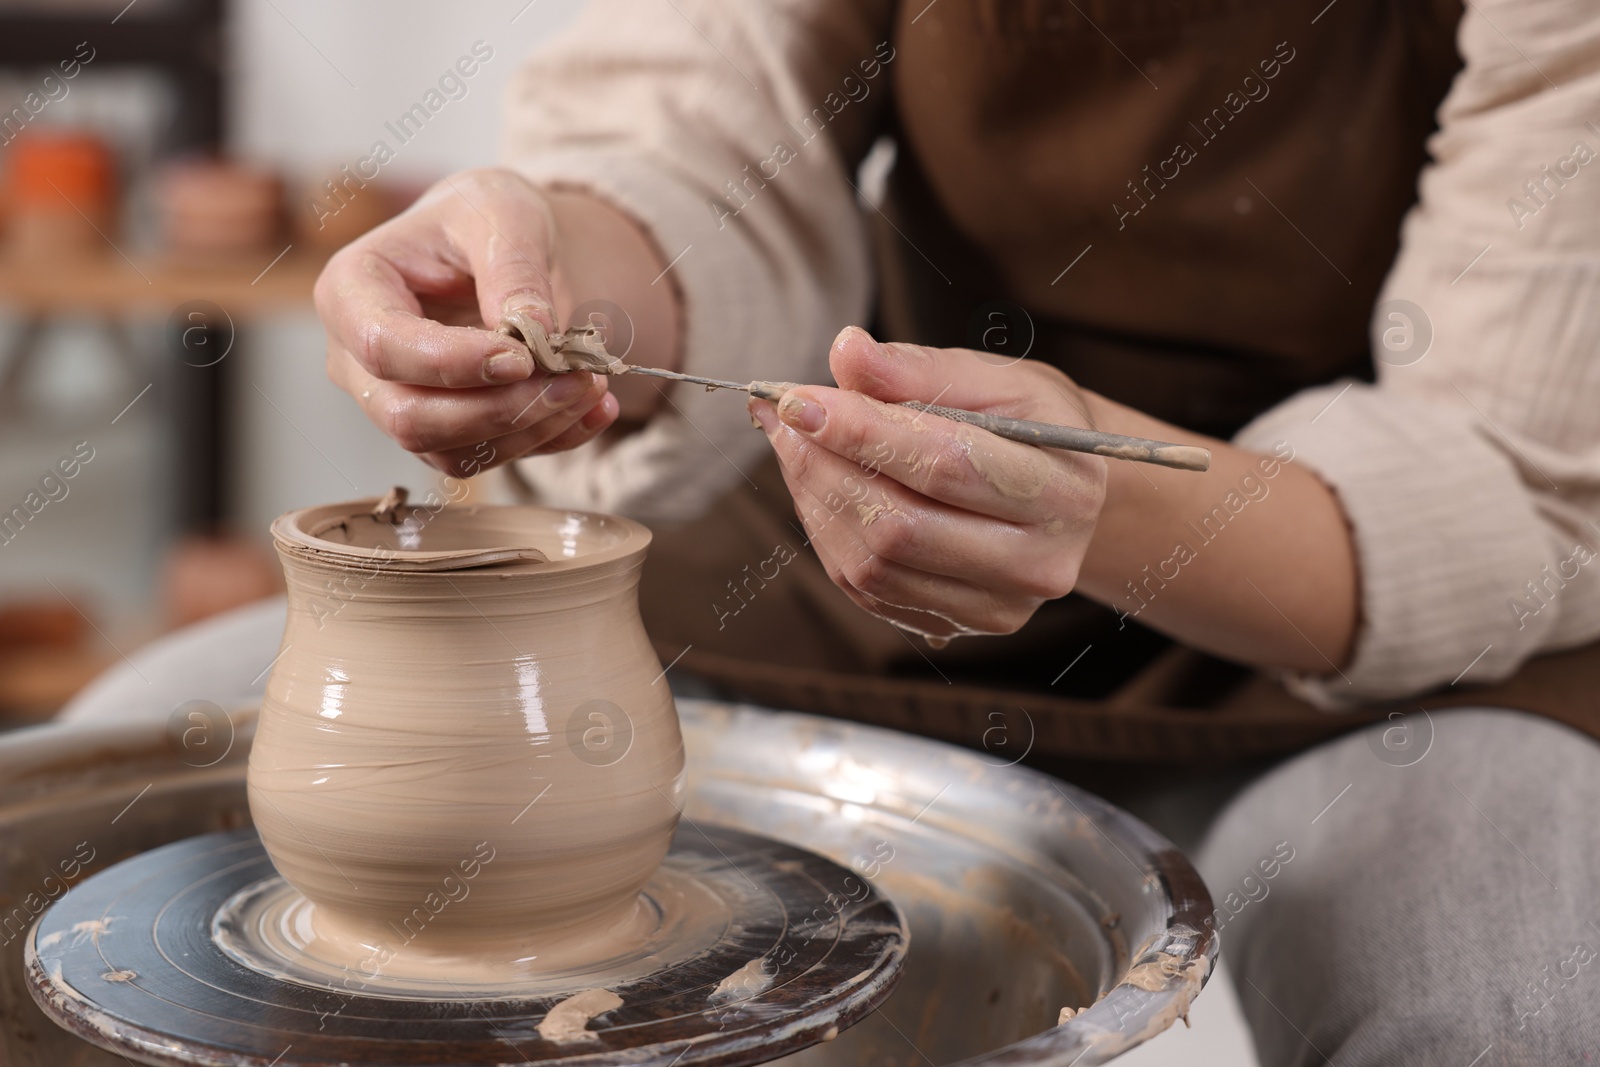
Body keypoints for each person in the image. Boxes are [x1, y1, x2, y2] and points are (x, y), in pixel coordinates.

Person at [312, 1, 1600, 1061]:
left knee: (1507, 1007)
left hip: (1371, 620)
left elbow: (1508, 477)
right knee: (205, 727)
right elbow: (705, 135)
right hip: (867, 522)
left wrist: (1097, 505)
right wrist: (552, 299)